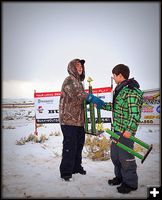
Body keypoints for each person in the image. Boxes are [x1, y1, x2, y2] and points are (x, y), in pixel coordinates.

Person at [59, 58, 105, 181]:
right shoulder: (69, 80)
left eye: (81, 67)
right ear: (72, 67)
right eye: (78, 66)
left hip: (78, 121)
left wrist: (90, 102)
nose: (80, 68)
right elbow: (78, 95)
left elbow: (80, 101)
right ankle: (66, 172)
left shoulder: (79, 82)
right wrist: (92, 98)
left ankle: (76, 167)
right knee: (70, 146)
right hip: (68, 120)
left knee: (78, 145)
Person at [105, 64, 143, 193]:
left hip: (125, 131)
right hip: (116, 130)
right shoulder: (120, 89)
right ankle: (120, 177)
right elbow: (116, 108)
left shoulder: (131, 90)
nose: (113, 78)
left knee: (126, 158)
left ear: (120, 75)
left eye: (114, 75)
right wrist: (100, 105)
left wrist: (130, 130)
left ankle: (131, 183)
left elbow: (134, 114)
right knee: (115, 156)